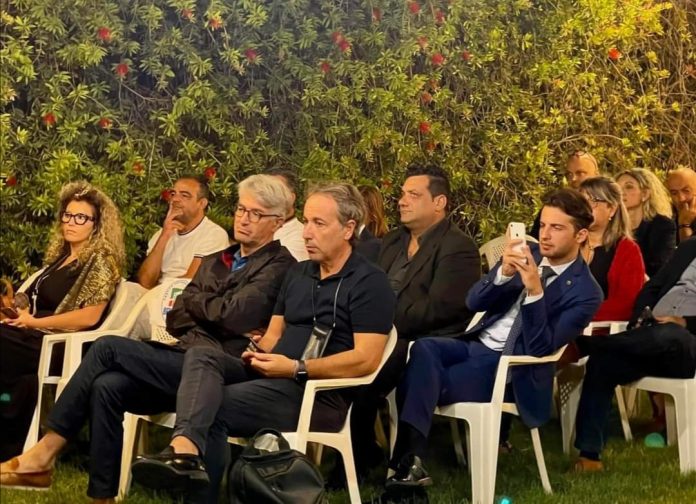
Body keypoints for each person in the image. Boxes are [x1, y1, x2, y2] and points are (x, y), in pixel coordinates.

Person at [0, 175, 297, 502]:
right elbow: (176, 315)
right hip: (185, 355)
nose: (244, 218)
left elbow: (234, 315)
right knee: (107, 386)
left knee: (107, 347)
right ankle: (102, 496)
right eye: (241, 209)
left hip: (226, 366)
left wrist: (201, 304)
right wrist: (210, 308)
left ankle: (46, 451)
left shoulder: (281, 266)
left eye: (256, 213)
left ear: (277, 222)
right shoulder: (219, 259)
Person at [129, 183, 396, 502]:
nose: (307, 233)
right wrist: (255, 353)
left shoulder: (370, 282)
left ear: (348, 229)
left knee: (211, 406)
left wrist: (296, 368)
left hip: (317, 394)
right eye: (306, 221)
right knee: (203, 355)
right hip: (272, 375)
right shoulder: (299, 273)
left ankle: (196, 485)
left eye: (319, 224)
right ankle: (184, 453)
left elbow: (366, 359)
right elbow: (272, 337)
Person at [384, 188, 602, 494]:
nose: (545, 235)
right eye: (542, 225)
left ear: (580, 235)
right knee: (424, 347)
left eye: (557, 228)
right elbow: (473, 302)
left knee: (416, 376)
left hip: (510, 368)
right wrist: (503, 274)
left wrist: (535, 292)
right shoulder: (528, 254)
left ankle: (406, 465)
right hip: (475, 345)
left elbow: (541, 347)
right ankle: (411, 464)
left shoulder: (586, 292)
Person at [348, 165, 480, 479]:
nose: (402, 201)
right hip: (382, 333)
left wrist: (381, 323)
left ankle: (362, 460)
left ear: (439, 203)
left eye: (413, 195)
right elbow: (368, 288)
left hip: (425, 340)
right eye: (402, 194)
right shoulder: (393, 241)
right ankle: (360, 452)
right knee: (343, 361)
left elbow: (439, 309)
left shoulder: (458, 247)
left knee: (365, 370)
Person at [0, 181, 125, 461]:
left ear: (97, 224)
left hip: (60, 343)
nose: (71, 222)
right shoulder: (61, 258)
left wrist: (31, 323)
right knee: (16, 369)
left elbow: (90, 317)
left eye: (81, 217)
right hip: (30, 334)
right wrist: (15, 311)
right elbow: (32, 298)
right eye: (68, 215)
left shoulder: (101, 261)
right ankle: (10, 442)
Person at [573, 237, 696, 472]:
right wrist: (640, 318)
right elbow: (652, 287)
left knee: (671, 333)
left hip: (687, 343)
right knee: (604, 362)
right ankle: (589, 455)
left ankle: (586, 346)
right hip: (649, 337)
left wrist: (684, 322)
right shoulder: (691, 247)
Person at [137, 176, 229, 288]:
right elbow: (145, 282)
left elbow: (190, 282)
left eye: (184, 195)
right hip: (156, 293)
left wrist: (157, 292)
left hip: (182, 295)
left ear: (202, 203)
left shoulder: (214, 234)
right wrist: (164, 236)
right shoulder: (161, 234)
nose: (175, 199)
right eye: (173, 194)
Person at [578, 177, 645, 322]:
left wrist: (576, 314)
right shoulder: (569, 243)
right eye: (581, 202)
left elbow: (626, 306)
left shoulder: (628, 250)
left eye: (592, 201)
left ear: (612, 209)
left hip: (601, 329)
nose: (583, 208)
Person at [616, 168, 675, 278]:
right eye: (617, 188)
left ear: (645, 194)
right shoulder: (610, 225)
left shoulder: (662, 225)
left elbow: (661, 268)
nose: (621, 192)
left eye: (629, 187)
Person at [530, 150, 601, 238]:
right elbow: (535, 240)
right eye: (569, 174)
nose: (573, 179)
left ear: (596, 175)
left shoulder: (606, 208)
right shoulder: (554, 207)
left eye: (580, 173)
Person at [264, 167, 309, 261]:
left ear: (291, 198)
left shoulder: (299, 237)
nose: (269, 198)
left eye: (276, 192)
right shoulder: (258, 228)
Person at [665, 167, 696, 244]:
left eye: (686, 191)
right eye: (674, 193)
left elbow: (689, 251)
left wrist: (684, 224)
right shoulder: (667, 217)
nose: (681, 199)